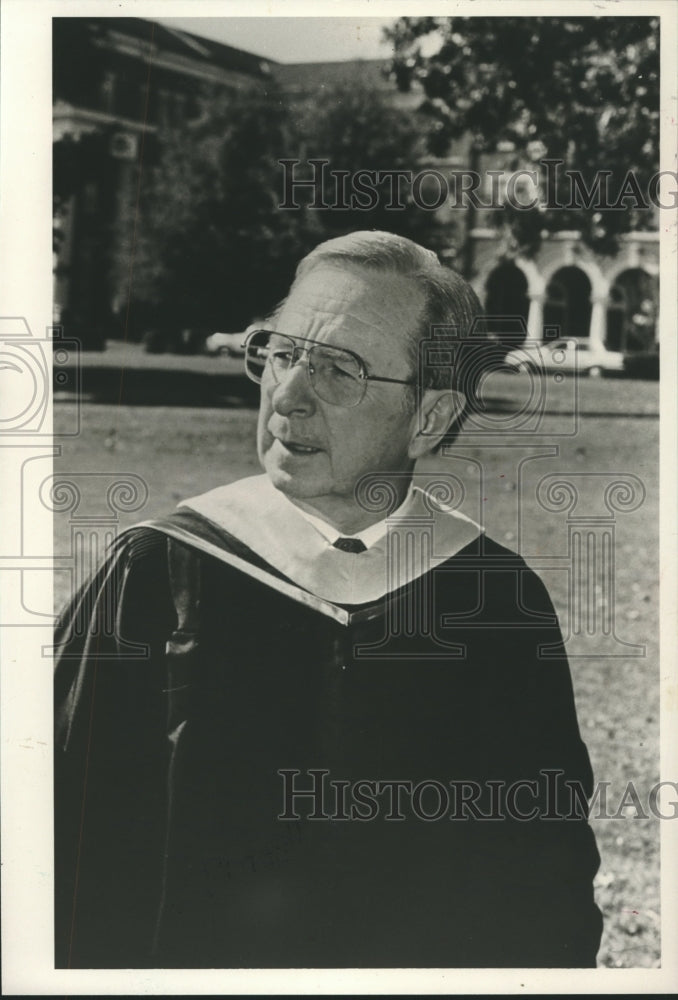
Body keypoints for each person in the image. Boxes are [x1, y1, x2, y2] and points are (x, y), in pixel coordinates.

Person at [54, 231, 603, 969]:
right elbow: (57, 849)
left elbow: (545, 885)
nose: (288, 395)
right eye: (281, 353)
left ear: (430, 418)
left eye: (339, 369)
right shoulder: (159, 574)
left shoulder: (494, 603)